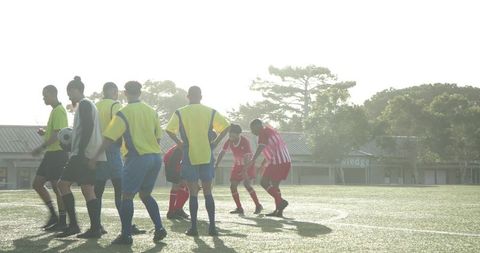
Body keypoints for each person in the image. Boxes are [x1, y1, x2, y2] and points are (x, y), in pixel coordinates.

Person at [90, 81, 166, 245]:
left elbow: (109, 138)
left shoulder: (124, 112)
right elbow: (158, 136)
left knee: (127, 195)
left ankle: (126, 235)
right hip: (155, 157)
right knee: (145, 195)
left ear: (125, 93)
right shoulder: (151, 111)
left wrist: (95, 157)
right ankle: (159, 227)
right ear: (140, 92)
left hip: (138, 157)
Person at [166, 86, 230, 236]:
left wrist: (180, 143)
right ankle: (212, 227)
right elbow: (226, 127)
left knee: (193, 192)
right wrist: (215, 143)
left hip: (189, 154)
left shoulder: (180, 112)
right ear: (201, 96)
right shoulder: (210, 111)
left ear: (188, 96)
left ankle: (193, 228)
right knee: (208, 192)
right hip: (206, 154)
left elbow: (169, 130)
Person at [57, 76, 106, 238]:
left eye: (69, 92)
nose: (69, 96)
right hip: (87, 153)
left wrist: (82, 152)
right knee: (88, 189)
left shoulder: (84, 104)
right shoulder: (87, 105)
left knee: (63, 184)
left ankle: (76, 225)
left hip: (83, 154)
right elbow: (84, 130)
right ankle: (95, 227)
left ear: (76, 90)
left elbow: (88, 128)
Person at [94, 82, 145, 235]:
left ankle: (96, 226)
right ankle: (127, 226)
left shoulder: (95, 106)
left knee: (97, 192)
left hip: (98, 151)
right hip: (112, 150)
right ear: (115, 92)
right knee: (121, 190)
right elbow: (120, 125)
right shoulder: (115, 105)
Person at [31, 85, 69, 231]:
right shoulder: (55, 110)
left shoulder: (59, 110)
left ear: (53, 94)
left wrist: (40, 147)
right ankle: (54, 215)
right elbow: (54, 132)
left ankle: (62, 220)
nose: (43, 98)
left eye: (45, 95)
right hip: (51, 154)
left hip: (58, 154)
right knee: (37, 184)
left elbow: (57, 135)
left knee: (56, 186)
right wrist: (45, 133)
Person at [244, 119, 291, 217]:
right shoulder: (270, 130)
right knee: (275, 186)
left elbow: (261, 147)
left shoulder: (263, 132)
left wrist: (253, 160)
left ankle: (281, 202)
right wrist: (263, 162)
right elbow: (272, 148)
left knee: (263, 182)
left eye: (252, 129)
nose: (252, 132)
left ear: (258, 126)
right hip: (285, 160)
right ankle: (279, 211)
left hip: (278, 161)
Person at [215, 124, 263, 215]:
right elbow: (222, 152)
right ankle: (239, 208)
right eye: (229, 135)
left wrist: (245, 171)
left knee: (247, 184)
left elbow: (247, 158)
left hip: (247, 165)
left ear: (238, 134)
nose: (230, 137)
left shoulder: (245, 141)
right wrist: (216, 164)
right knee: (233, 186)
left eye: (232, 135)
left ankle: (258, 205)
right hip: (237, 165)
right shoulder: (229, 141)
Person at [163, 145, 190, 220]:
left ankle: (178, 209)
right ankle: (171, 211)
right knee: (178, 184)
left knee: (186, 186)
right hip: (173, 160)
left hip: (178, 160)